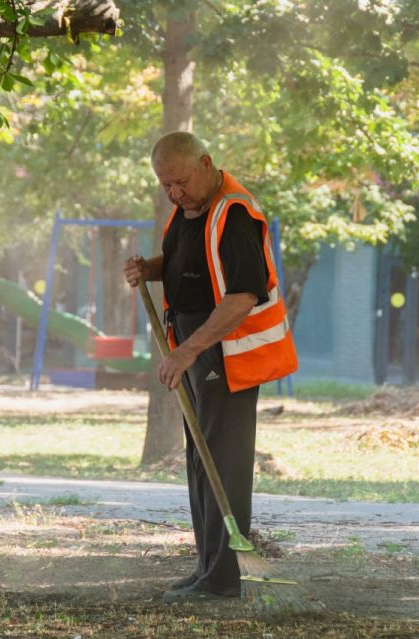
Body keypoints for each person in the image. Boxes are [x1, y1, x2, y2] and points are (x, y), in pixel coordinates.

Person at [123, 132, 298, 603]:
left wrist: (187, 351)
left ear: (205, 163)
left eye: (180, 182)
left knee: (223, 462)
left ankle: (225, 578)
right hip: (197, 347)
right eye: (165, 187)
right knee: (200, 459)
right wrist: (151, 269)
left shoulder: (235, 213)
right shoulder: (190, 211)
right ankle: (207, 568)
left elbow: (242, 296)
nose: (174, 194)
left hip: (228, 352)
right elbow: (188, 265)